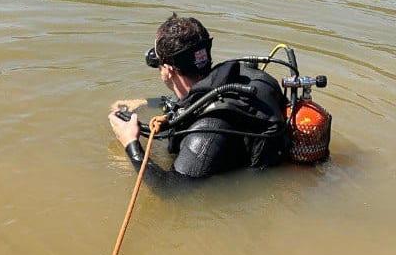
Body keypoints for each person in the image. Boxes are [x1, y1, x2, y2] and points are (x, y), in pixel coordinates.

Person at [108, 14, 287, 190]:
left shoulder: (206, 132)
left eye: (159, 64)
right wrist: (146, 102)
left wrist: (131, 144)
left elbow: (172, 192)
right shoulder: (238, 76)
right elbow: (190, 101)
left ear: (169, 70)